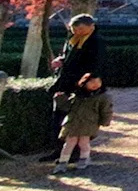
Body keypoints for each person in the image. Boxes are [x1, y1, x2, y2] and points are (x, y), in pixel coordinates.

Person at [42, 14, 106, 162]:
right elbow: (68, 56)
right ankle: (59, 150)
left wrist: (87, 83)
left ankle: (75, 153)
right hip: (65, 84)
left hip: (83, 87)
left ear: (91, 27)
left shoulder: (97, 42)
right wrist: (61, 60)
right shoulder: (72, 39)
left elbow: (98, 65)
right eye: (74, 28)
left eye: (80, 28)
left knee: (78, 121)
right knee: (58, 118)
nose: (76, 31)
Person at [52, 74, 113, 174]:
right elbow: (66, 107)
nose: (95, 85)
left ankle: (84, 159)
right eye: (92, 82)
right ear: (84, 83)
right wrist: (60, 99)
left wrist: (105, 121)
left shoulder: (102, 97)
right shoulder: (76, 95)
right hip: (73, 122)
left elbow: (106, 110)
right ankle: (63, 162)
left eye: (98, 82)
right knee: (69, 143)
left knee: (83, 142)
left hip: (88, 123)